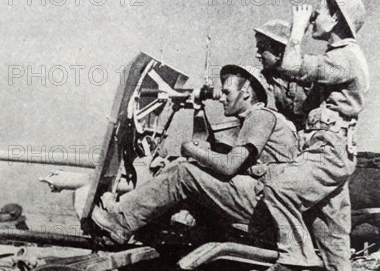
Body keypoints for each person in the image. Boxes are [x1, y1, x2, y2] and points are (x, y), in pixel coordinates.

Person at [247, 0, 369, 271]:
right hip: (329, 150)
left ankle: (294, 263)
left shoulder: (345, 57)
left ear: (336, 20)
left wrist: (297, 31)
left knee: (278, 185)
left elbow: (294, 68)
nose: (313, 17)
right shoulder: (340, 57)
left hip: (328, 151)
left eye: (317, 13)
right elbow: (299, 103)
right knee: (331, 230)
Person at [91, 65, 299, 246]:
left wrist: (189, 149)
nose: (222, 99)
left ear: (246, 92)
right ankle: (134, 216)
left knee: (183, 173)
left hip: (263, 201)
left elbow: (228, 166)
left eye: (228, 93)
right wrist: (199, 111)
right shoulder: (259, 118)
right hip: (262, 198)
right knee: (183, 165)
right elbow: (213, 151)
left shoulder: (260, 117)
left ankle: (121, 221)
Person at [254, 19, 310, 131]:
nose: (257, 55)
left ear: (279, 52)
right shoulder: (266, 77)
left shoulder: (308, 73)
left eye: (262, 49)